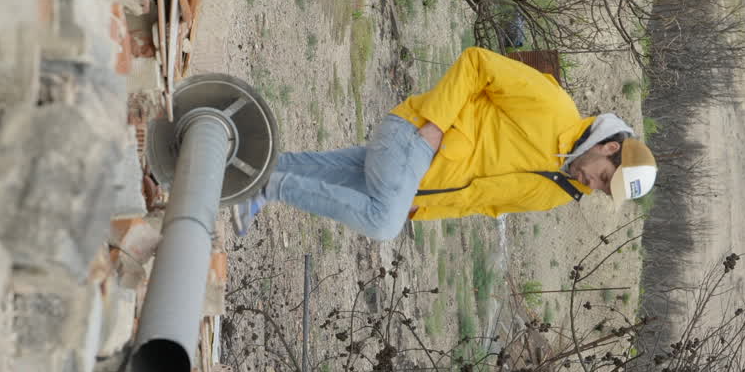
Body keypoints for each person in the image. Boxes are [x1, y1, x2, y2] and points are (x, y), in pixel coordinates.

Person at [233, 46, 657, 240]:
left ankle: (240, 168)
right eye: (604, 179)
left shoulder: (560, 193)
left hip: (415, 178)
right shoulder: (553, 106)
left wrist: (424, 206)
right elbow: (477, 62)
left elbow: (480, 201)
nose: (595, 186)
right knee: (383, 224)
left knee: (325, 173)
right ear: (609, 149)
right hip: (415, 138)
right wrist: (436, 123)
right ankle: (263, 188)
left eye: (603, 190)